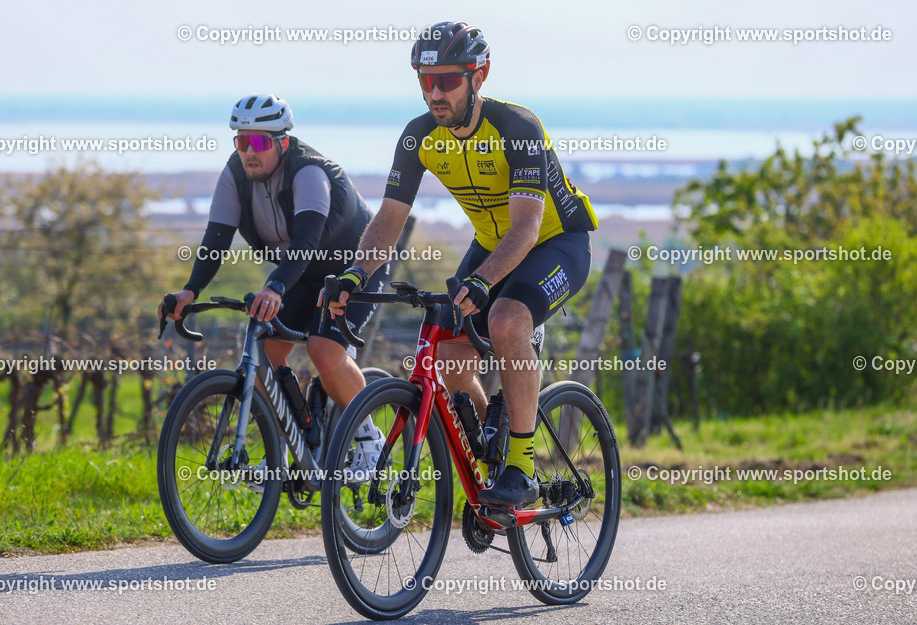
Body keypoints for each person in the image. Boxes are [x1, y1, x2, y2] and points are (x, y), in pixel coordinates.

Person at [326, 22, 598, 507]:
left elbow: (527, 229)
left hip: (556, 242)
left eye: (447, 80)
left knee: (505, 319)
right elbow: (388, 220)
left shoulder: (518, 128)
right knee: (449, 358)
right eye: (424, 80)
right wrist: (355, 274)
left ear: (480, 75)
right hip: (494, 246)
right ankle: (489, 446)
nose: (434, 92)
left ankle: (521, 464)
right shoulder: (418, 137)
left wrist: (484, 280)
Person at [160, 94, 388, 482]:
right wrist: (189, 291)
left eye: (260, 142)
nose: (249, 151)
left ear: (282, 142)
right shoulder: (235, 176)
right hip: (301, 275)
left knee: (323, 349)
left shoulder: (309, 172)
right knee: (265, 350)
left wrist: (275, 287)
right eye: (241, 141)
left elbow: (306, 243)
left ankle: (368, 438)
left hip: (353, 270)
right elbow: (216, 240)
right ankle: (291, 446)